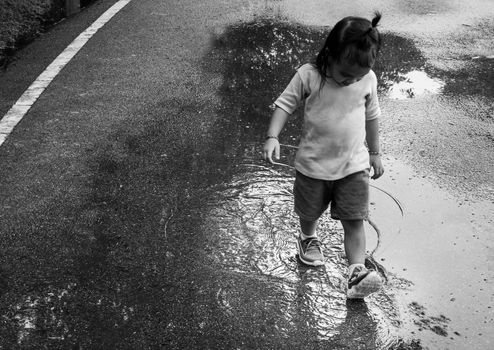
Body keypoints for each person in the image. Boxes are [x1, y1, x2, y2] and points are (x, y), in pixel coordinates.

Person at [262, 13, 385, 299]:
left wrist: (376, 153)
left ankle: (356, 271)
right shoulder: (310, 75)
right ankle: (308, 239)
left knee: (355, 219)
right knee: (309, 211)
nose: (350, 81)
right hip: (313, 165)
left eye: (358, 76)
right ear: (329, 55)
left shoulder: (367, 80)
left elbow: (372, 117)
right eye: (345, 74)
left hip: (353, 166)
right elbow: (284, 104)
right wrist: (272, 136)